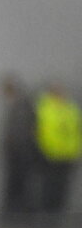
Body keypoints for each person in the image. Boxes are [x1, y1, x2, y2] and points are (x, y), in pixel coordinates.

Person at [34, 82, 81, 219]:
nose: (61, 95)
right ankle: (47, 209)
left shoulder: (72, 108)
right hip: (49, 153)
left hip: (68, 154)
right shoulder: (43, 108)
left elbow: (76, 129)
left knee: (63, 184)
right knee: (49, 183)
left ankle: (59, 209)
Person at [0, 76, 37, 218]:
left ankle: (19, 212)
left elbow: (22, 130)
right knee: (15, 182)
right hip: (15, 151)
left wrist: (13, 144)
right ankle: (14, 210)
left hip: (21, 151)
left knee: (20, 182)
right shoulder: (15, 105)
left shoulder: (21, 105)